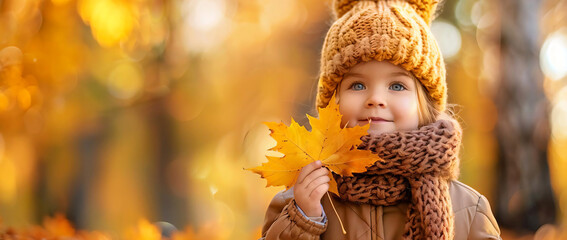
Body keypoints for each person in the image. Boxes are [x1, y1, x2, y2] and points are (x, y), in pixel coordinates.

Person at [259, 0, 502, 239]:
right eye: (358, 84)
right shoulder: (301, 203)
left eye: (397, 85)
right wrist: (304, 222)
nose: (376, 99)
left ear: (425, 105)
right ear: (332, 103)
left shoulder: (469, 210)